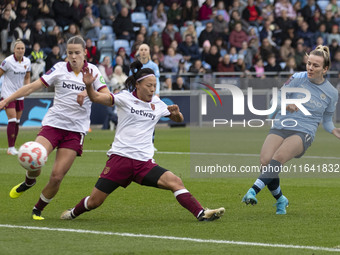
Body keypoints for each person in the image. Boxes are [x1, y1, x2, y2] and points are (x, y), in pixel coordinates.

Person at [60, 60, 225, 221]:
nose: (152, 89)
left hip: (144, 163)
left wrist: (176, 114)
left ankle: (201, 213)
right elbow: (96, 97)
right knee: (95, 201)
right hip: (120, 160)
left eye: (154, 85)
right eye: (149, 85)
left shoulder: (157, 103)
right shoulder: (124, 98)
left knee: (175, 181)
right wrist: (89, 85)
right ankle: (73, 213)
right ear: (138, 85)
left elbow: (178, 119)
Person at [0, 36, 111, 220]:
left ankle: (38, 208)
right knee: (35, 158)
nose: (73, 57)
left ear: (85, 53)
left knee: (57, 176)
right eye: (70, 53)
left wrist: (87, 90)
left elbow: (106, 95)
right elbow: (31, 87)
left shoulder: (92, 71)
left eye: (77, 53)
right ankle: (29, 181)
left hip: (75, 131)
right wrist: (6, 100)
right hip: (53, 125)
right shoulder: (59, 68)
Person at [242, 45, 340, 214]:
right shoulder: (297, 77)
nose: (310, 68)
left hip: (305, 132)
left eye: (316, 65)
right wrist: (287, 104)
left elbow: (327, 120)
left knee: (278, 157)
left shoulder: (331, 93)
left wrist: (333, 130)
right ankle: (281, 199)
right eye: (309, 63)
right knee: (265, 162)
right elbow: (277, 99)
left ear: (325, 69)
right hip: (282, 125)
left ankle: (253, 191)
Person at [0, 39, 31, 155]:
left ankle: (12, 146)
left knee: (17, 121)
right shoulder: (7, 61)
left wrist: (27, 87)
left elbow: (27, 77)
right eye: (18, 48)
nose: (20, 50)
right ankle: (11, 147)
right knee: (12, 119)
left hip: (20, 95)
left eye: (22, 48)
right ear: (14, 50)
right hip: (8, 94)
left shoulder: (27, 62)